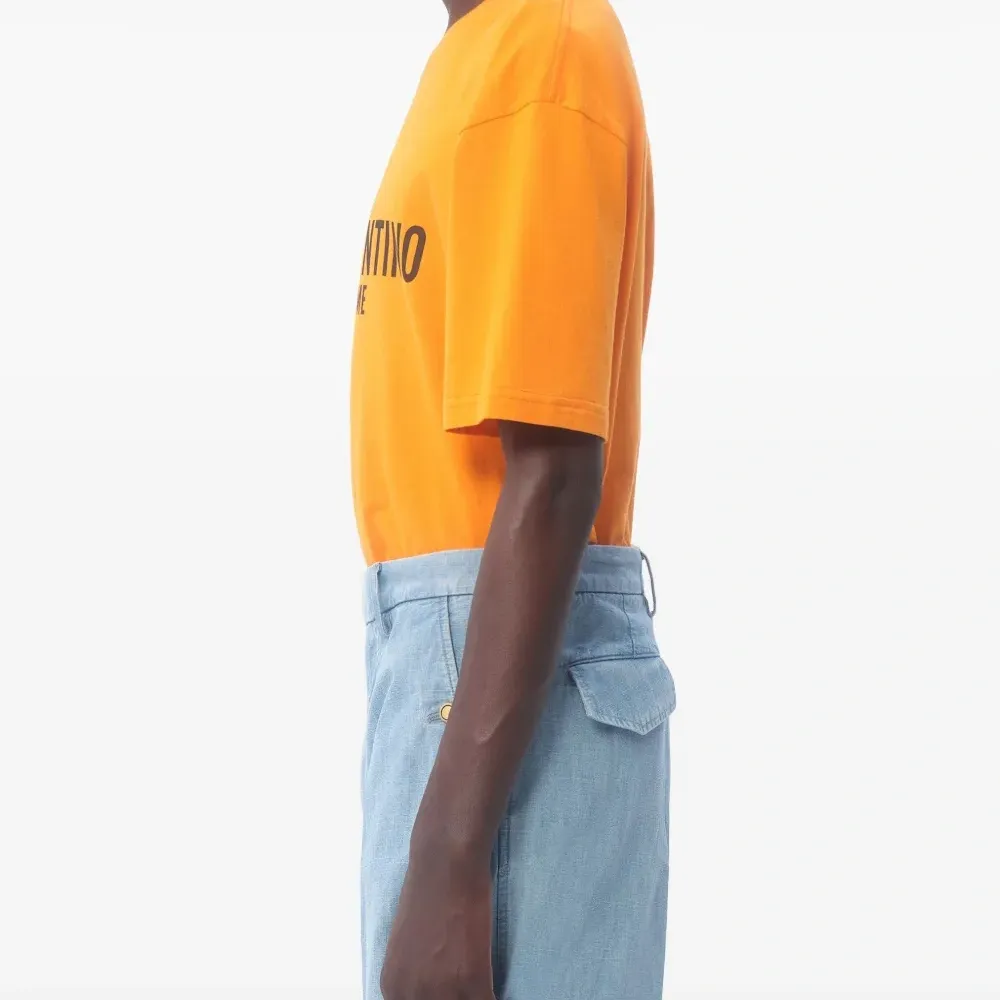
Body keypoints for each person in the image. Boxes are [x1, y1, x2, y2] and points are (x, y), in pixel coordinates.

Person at [350, 0, 676, 996]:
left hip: (497, 669)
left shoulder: (544, 46)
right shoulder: (476, 51)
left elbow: (555, 467)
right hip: (448, 658)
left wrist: (449, 856)